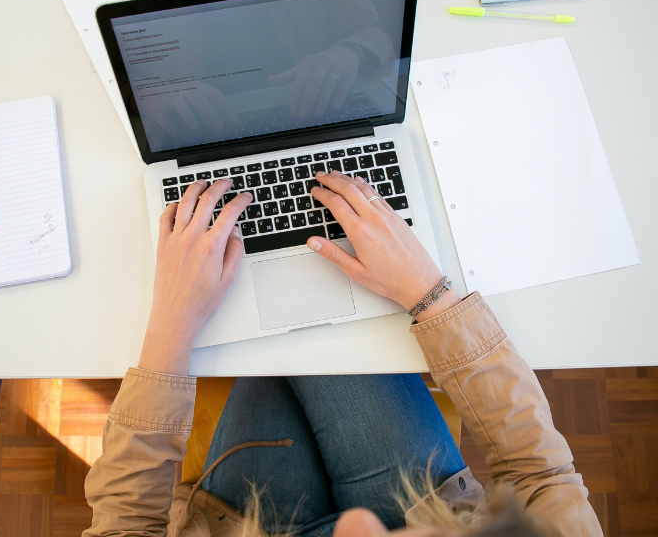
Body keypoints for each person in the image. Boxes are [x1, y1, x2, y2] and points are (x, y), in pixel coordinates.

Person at [83, 171, 603, 537]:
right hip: (424, 502)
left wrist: (173, 320)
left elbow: (125, 527)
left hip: (240, 523)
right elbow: (541, 472)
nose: (355, 526)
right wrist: (429, 294)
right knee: (315, 343)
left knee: (286, 348)